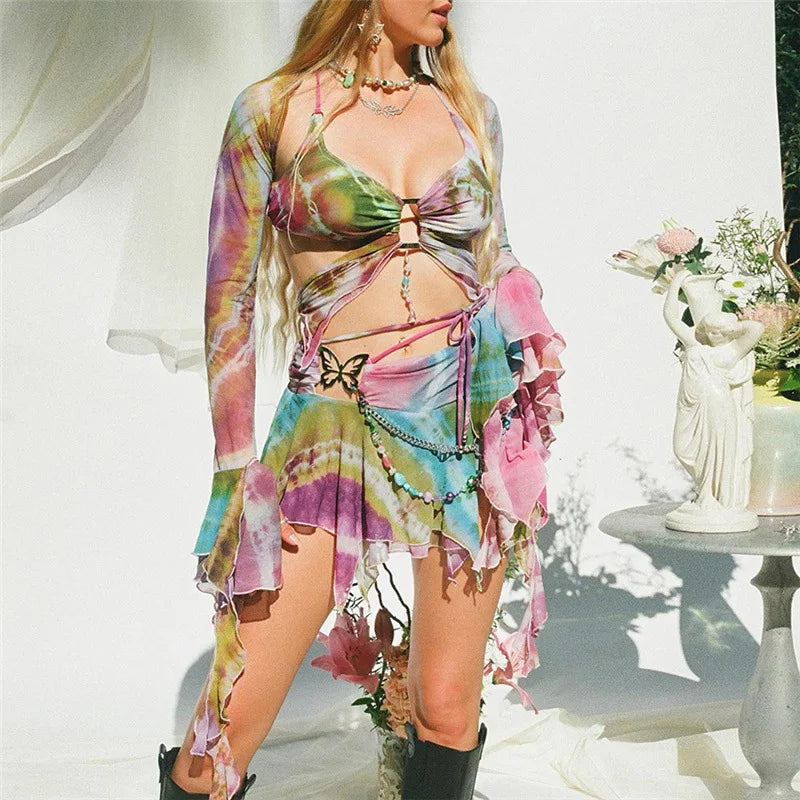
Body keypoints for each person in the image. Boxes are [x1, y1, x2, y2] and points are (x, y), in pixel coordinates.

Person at [157, 1, 565, 798]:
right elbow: (228, 306)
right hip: (330, 434)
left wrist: (524, 376)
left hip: (460, 435)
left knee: (446, 708)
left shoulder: (472, 112)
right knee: (223, 737)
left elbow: (494, 257)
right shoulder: (273, 110)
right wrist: (235, 469)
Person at [663, 269, 763, 531]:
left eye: (718, 332)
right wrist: (676, 284)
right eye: (710, 330)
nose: (713, 335)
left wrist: (731, 326)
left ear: (727, 333)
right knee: (683, 448)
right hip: (690, 406)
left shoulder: (731, 351)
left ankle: (708, 496)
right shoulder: (694, 344)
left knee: (713, 453)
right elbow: (671, 317)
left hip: (717, 404)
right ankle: (703, 493)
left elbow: (756, 328)